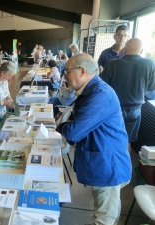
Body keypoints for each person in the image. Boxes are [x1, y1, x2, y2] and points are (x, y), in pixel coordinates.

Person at [56, 53, 131, 225]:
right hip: (102, 159)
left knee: (104, 219)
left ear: (82, 71)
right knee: (108, 211)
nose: (64, 76)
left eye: (67, 71)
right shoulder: (89, 91)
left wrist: (61, 126)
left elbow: (74, 132)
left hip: (109, 164)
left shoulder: (100, 94)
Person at [100, 38, 155, 153]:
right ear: (141, 51)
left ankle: (109, 168)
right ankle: (125, 169)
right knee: (127, 141)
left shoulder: (112, 64)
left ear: (124, 49)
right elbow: (150, 88)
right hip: (135, 110)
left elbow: (102, 86)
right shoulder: (150, 64)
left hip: (114, 109)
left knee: (110, 138)